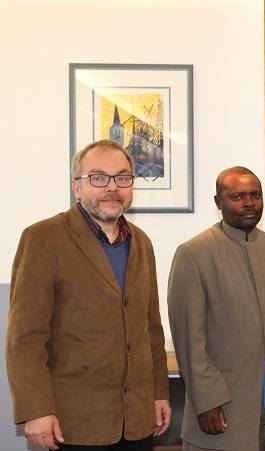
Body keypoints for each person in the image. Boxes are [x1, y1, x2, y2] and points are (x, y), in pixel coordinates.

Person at [6, 139, 171, 450]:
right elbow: (25, 338)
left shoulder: (142, 243)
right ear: (76, 186)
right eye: (98, 178)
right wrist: (37, 409)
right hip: (73, 424)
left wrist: (159, 392)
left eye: (122, 178)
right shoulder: (42, 239)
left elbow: (151, 329)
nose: (112, 187)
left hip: (136, 421)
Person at [167, 167, 265, 451]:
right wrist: (206, 400)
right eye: (237, 196)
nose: (249, 203)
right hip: (223, 407)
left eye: (255, 195)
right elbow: (189, 341)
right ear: (218, 202)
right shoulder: (194, 254)